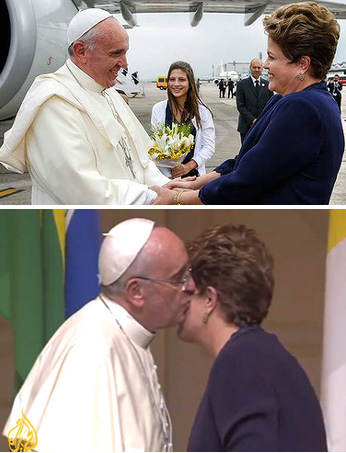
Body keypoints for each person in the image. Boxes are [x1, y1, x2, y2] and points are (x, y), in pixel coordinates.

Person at [3, 218, 195, 452]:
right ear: (136, 291)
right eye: (179, 279)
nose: (192, 287)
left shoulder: (125, 334)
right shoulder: (92, 351)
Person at [151, 1, 344, 205]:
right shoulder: (286, 99)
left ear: (302, 64)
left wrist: (178, 198)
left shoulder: (304, 108)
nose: (266, 65)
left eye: (272, 57)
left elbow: (246, 182)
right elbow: (243, 163)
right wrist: (195, 183)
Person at [179, 224, 328, 452]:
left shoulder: (240, 360)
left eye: (187, 291)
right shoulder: (266, 356)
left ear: (209, 298)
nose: (179, 300)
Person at [0, 9, 169, 205]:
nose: (124, 63)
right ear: (81, 51)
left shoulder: (108, 92)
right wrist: (155, 196)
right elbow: (84, 192)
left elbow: (138, 160)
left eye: (125, 52)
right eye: (116, 53)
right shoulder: (53, 103)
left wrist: (166, 187)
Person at [151, 61, 215, 178]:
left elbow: (208, 147)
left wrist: (188, 166)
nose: (176, 84)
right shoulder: (158, 109)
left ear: (190, 83)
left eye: (181, 80)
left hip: (193, 176)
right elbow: (157, 144)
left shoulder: (203, 112)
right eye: (172, 79)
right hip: (165, 177)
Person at [236, 58, 273, 143]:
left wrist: (261, 120)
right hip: (246, 126)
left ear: (262, 68)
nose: (256, 70)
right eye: (254, 67)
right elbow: (240, 106)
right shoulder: (242, 84)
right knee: (246, 152)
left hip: (262, 126)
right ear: (250, 68)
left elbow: (270, 105)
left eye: (259, 68)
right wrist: (252, 120)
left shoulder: (268, 85)